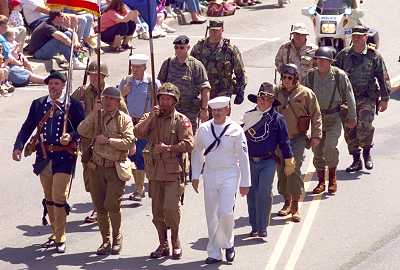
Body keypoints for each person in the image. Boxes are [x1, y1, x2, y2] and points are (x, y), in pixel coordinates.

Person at [12, 70, 85, 253]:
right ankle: (55, 232)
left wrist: (72, 136)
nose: (53, 87)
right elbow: (28, 126)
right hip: (44, 156)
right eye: (51, 83)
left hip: (64, 156)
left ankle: (61, 236)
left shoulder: (72, 105)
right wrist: (18, 146)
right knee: (50, 198)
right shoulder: (38, 105)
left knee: (59, 196)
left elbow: (84, 127)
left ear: (63, 86)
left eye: (57, 84)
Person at [134, 83, 194, 260]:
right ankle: (163, 244)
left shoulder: (181, 120)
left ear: (174, 101)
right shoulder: (151, 116)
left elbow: (189, 143)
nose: (164, 101)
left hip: (173, 171)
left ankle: (175, 241)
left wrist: (169, 148)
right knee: (157, 212)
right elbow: (138, 133)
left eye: (168, 99)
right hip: (154, 172)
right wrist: (151, 117)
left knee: (171, 209)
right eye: (162, 98)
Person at [191, 96, 251, 264]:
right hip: (210, 174)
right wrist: (195, 175)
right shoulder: (203, 129)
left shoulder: (235, 129)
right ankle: (214, 252)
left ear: (227, 110)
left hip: (230, 174)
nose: (217, 113)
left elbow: (243, 156)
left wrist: (245, 182)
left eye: (220, 110)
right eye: (214, 110)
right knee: (211, 214)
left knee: (225, 212)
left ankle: (228, 243)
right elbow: (197, 152)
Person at [77, 86, 135, 255]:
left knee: (112, 204)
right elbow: (81, 130)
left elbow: (128, 141)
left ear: (118, 102)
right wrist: (94, 113)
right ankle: (105, 240)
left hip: (114, 168)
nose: (108, 102)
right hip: (96, 167)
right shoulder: (97, 116)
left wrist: (108, 140)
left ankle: (117, 237)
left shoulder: (124, 119)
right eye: (106, 98)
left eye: (112, 99)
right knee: (100, 206)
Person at [72, 61, 128, 223]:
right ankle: (98, 205)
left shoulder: (111, 93)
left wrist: (127, 142)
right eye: (91, 74)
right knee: (90, 177)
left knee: (106, 176)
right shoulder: (82, 92)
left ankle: (101, 209)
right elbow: (69, 112)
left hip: (107, 143)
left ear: (104, 76)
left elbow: (124, 116)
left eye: (98, 75)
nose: (94, 78)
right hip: (87, 142)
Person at [335, 25, 391, 172]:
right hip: (347, 99)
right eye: (354, 36)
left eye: (360, 36)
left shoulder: (374, 55)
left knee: (365, 126)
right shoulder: (343, 55)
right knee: (349, 130)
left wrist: (385, 98)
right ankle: (356, 159)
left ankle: (367, 154)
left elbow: (383, 77)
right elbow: (334, 75)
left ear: (366, 37)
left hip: (367, 97)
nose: (357, 38)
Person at [242, 82, 295, 238]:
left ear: (272, 102)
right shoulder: (248, 116)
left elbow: (284, 142)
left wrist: (288, 159)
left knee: (263, 193)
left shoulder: (278, 119)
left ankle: (263, 226)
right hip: (250, 161)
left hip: (268, 161)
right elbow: (240, 140)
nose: (262, 101)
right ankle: (254, 226)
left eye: (266, 98)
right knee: (251, 194)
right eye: (260, 97)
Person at [303, 46, 357, 194]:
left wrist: (352, 116)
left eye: (324, 60)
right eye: (318, 59)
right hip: (317, 119)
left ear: (330, 62)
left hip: (334, 117)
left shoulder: (339, 75)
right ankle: (321, 181)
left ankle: (332, 178)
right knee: (317, 150)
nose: (320, 62)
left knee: (330, 148)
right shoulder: (310, 76)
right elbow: (303, 96)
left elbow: (349, 96)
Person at [274, 64, 322, 222]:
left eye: (289, 78)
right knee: (281, 171)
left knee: (294, 169)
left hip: (297, 138)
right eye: (284, 77)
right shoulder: (276, 92)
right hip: (279, 139)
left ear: (296, 79)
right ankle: (286, 201)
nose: (286, 81)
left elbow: (316, 115)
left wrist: (316, 135)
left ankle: (295, 205)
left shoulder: (306, 93)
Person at [119, 53, 160, 201]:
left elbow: (159, 104)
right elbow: (115, 102)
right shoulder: (125, 81)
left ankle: (139, 189)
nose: (134, 70)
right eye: (133, 67)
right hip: (128, 123)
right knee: (128, 155)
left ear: (144, 67)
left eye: (138, 67)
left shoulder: (153, 83)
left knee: (140, 155)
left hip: (145, 124)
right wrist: (123, 94)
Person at [158, 35, 211, 133]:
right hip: (170, 110)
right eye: (176, 47)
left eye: (182, 47)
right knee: (169, 137)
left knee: (187, 138)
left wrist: (204, 109)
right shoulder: (168, 63)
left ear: (188, 47)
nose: (178, 50)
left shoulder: (196, 65)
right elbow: (160, 84)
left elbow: (205, 88)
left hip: (189, 111)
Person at [191, 20, 247, 104]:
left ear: (222, 30)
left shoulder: (230, 49)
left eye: (216, 30)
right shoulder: (199, 48)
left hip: (223, 91)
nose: (213, 33)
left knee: (221, 116)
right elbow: (190, 68)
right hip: (203, 91)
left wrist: (240, 91)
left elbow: (240, 71)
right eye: (212, 30)